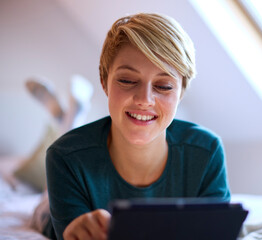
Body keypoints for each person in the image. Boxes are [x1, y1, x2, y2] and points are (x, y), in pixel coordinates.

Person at [46, 13, 230, 240]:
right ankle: (69, 120)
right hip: (48, 212)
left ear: (181, 92)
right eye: (127, 80)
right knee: (43, 210)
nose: (144, 99)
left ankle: (70, 116)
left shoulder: (206, 152)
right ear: (104, 82)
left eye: (163, 86)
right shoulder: (64, 157)